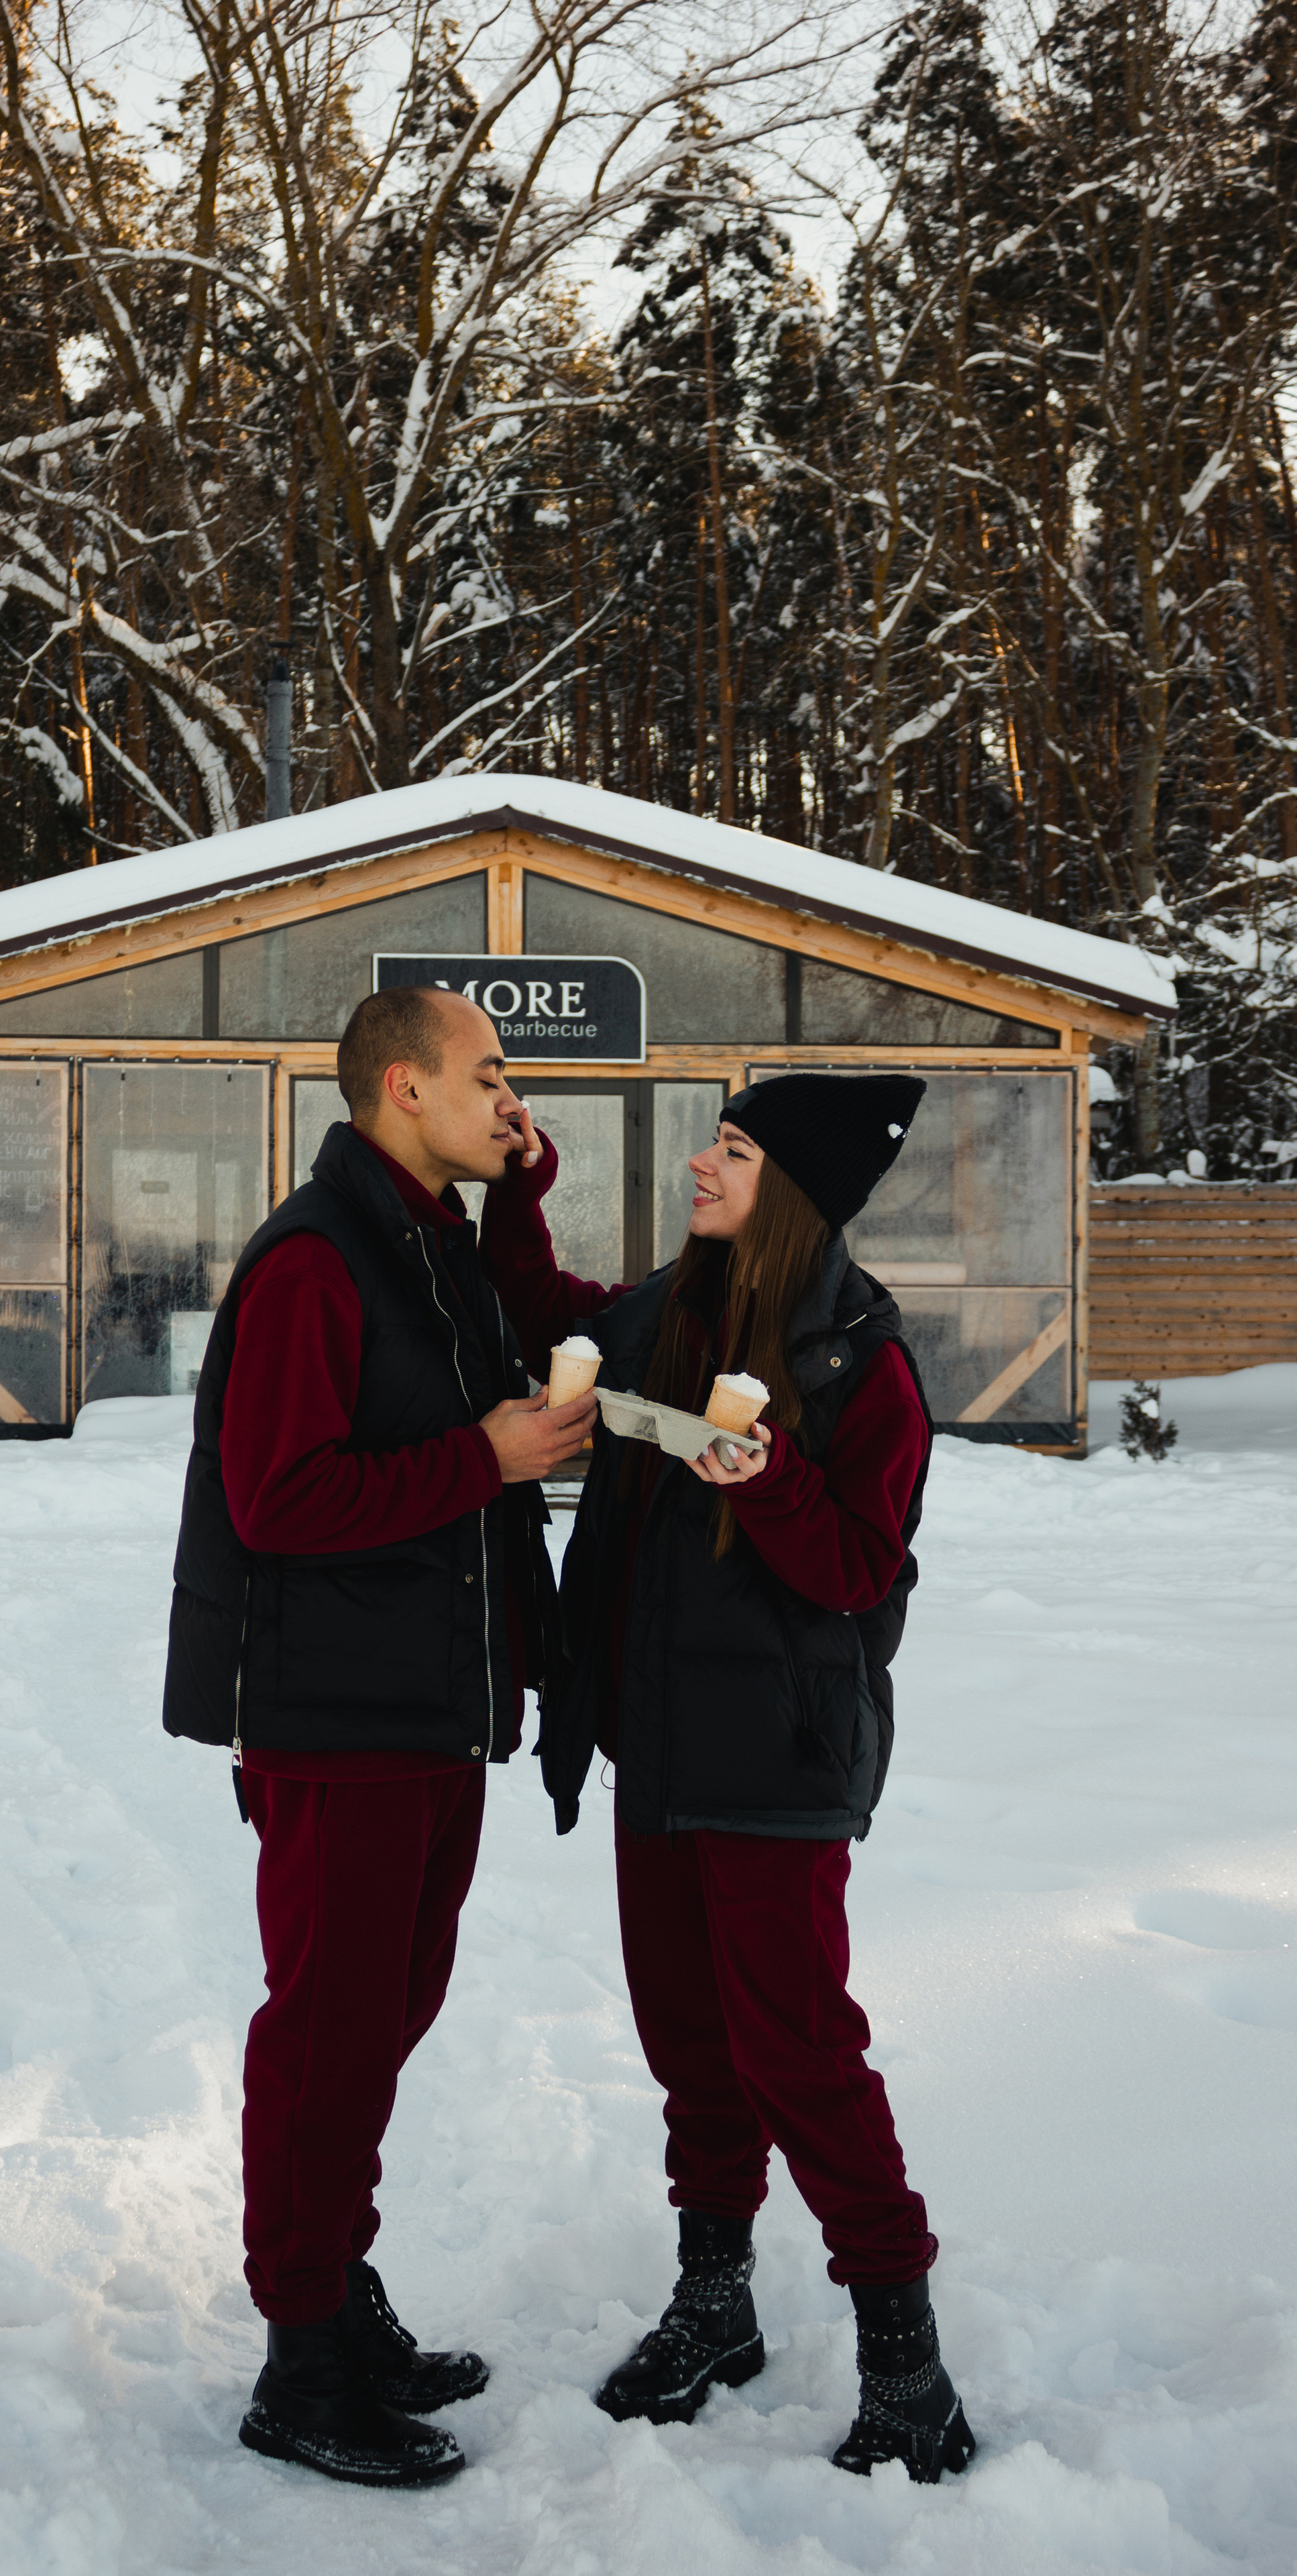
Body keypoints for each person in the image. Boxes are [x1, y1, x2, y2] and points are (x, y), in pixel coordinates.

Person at [478, 1071, 978, 2484]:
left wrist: (761, 1481)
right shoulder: (666, 1309)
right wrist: (515, 1193)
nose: (702, 1164)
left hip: (774, 1757)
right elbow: (548, 1321)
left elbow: (861, 1576)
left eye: (735, 1149)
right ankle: (715, 2304)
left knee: (798, 2056)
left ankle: (904, 2357)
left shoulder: (854, 1362)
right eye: (713, 1139)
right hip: (657, 1747)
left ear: (795, 1189)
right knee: (690, 2048)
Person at [163, 984, 594, 2489]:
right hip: (337, 1720)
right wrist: (484, 1455)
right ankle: (298, 2365)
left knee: (375, 2028)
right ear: (402, 1090)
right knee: (326, 2039)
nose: (508, 1098)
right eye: (487, 1076)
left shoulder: (425, 1244)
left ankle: (338, 2303)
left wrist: (524, 1204)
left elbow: (519, 1327)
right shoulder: (315, 1262)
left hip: (422, 1712)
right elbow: (279, 1498)